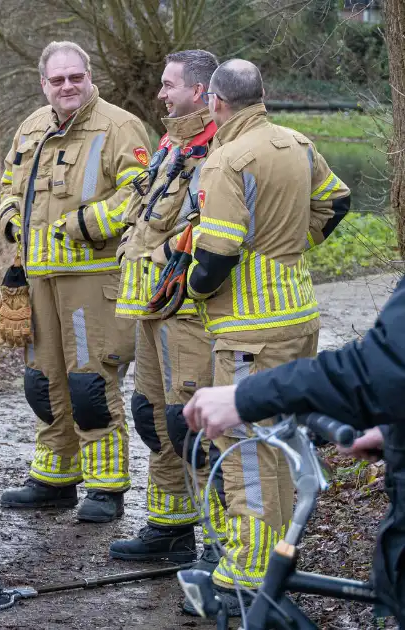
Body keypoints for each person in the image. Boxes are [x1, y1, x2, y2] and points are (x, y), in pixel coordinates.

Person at [176, 58, 350, 613]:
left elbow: (219, 252)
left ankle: (249, 567)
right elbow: (337, 200)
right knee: (280, 438)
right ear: (262, 94)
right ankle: (278, 552)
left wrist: (193, 291)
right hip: (299, 314)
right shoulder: (296, 141)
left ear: (215, 103)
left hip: (250, 327)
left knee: (247, 443)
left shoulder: (226, 159)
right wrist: (293, 246)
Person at [181, 274, 405, 620]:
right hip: (277, 318)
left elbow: (377, 369)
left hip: (249, 329)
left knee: (248, 460)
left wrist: (248, 396)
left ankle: (246, 570)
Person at [0, 41, 150, 523]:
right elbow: (9, 182)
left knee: (89, 384)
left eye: (75, 77)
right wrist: (9, 219)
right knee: (42, 383)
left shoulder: (120, 125)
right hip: (39, 278)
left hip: (93, 277)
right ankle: (54, 479)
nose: (67, 86)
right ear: (44, 84)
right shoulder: (31, 127)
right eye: (57, 79)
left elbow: (143, 191)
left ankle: (106, 487)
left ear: (89, 76)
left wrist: (89, 223)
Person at [109, 50, 228, 569]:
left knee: (192, 423)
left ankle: (221, 546)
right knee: (152, 416)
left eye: (168, 85)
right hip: (150, 308)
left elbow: (219, 228)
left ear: (200, 91)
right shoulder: (172, 141)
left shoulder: (220, 147)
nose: (160, 94)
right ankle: (170, 526)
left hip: (188, 312)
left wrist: (180, 263)